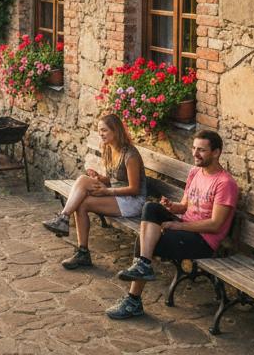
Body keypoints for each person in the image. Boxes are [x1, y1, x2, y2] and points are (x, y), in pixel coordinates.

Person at [105, 129, 238, 320]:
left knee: (144, 244)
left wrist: (179, 226)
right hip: (185, 228)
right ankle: (143, 266)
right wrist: (172, 207)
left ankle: (133, 300)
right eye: (193, 148)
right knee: (151, 208)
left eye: (201, 150)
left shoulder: (225, 183)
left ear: (216, 152)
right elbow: (185, 206)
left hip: (203, 241)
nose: (195, 153)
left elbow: (216, 225)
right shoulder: (195, 173)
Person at [41, 113, 146, 269]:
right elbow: (113, 179)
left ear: (115, 131)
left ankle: (63, 218)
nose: (101, 134)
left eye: (104, 130)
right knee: (82, 197)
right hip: (116, 194)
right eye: (99, 130)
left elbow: (134, 189)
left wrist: (107, 192)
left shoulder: (130, 155)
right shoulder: (109, 149)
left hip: (133, 201)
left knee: (82, 187)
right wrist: (99, 178)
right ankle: (82, 252)